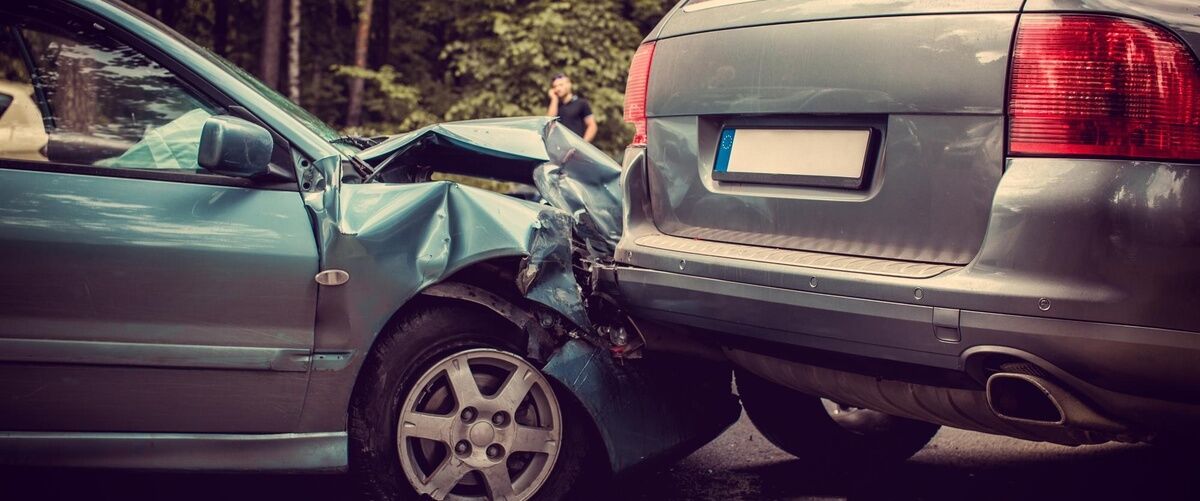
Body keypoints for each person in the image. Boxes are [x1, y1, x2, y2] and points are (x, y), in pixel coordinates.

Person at [546, 73, 597, 142]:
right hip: (558, 149)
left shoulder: (581, 103)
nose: (557, 89)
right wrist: (554, 99)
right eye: (555, 86)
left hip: (576, 148)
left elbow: (592, 126)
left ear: (569, 85)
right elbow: (549, 123)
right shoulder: (554, 105)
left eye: (561, 85)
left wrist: (583, 145)